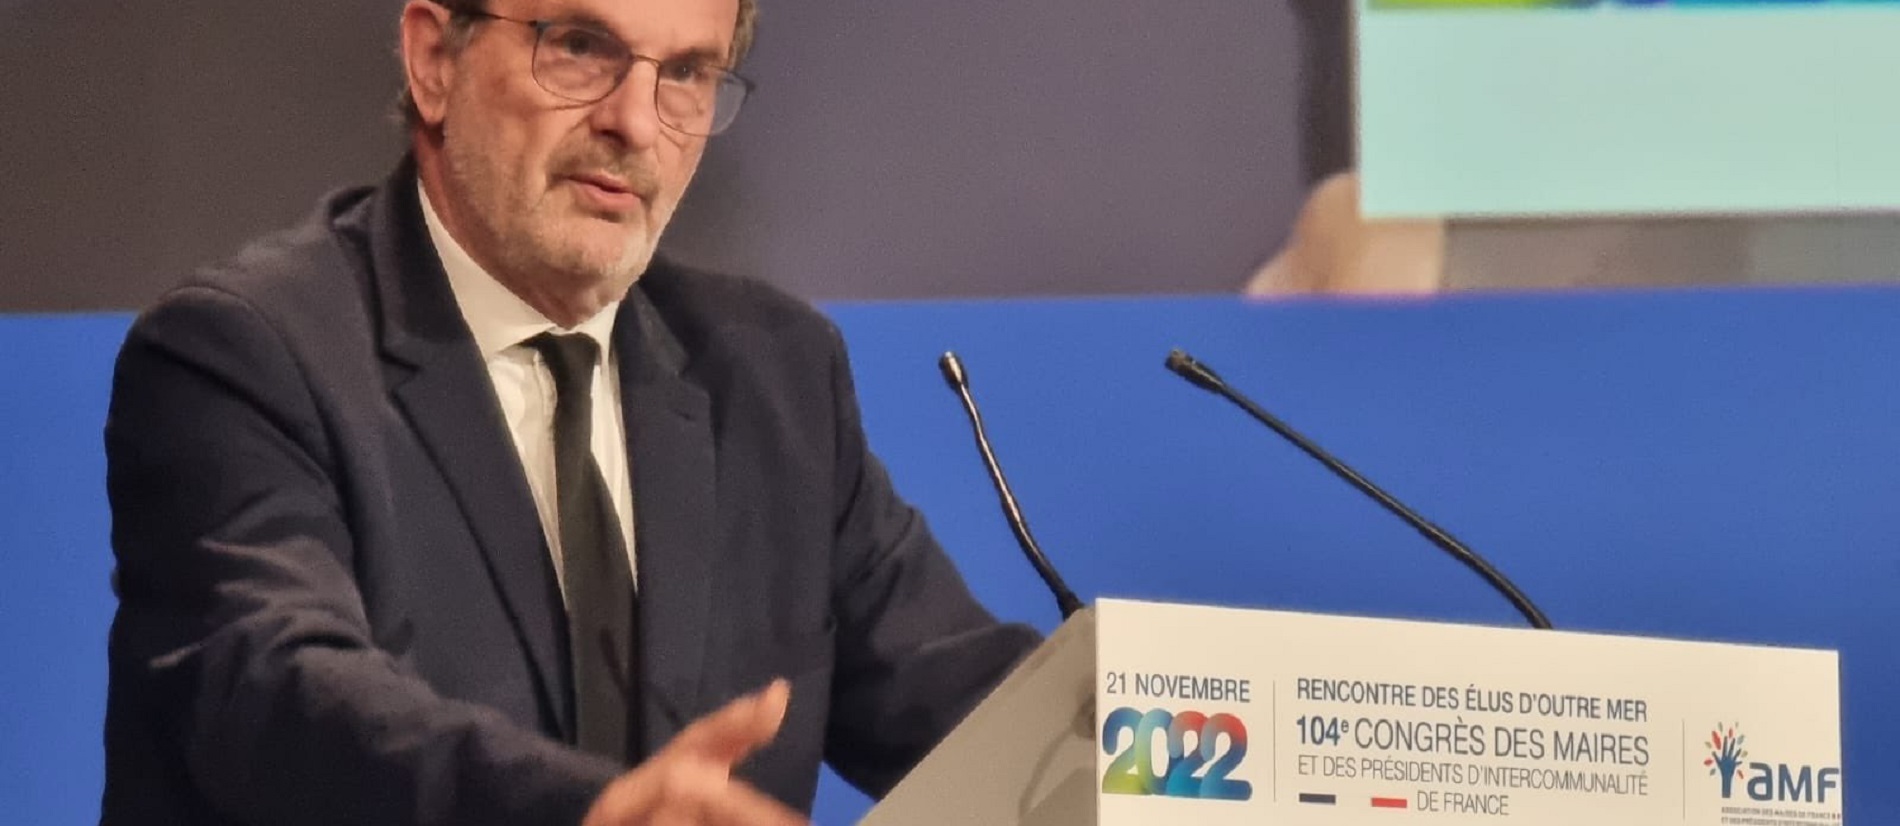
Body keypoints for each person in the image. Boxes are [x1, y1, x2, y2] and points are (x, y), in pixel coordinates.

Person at [99, 0, 1041, 823]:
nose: (635, 122)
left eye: (686, 74)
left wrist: (1128, 726)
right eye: (582, 47)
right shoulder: (247, 352)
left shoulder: (774, 376)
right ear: (434, 59)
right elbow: (277, 692)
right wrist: (584, 812)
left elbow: (973, 711)